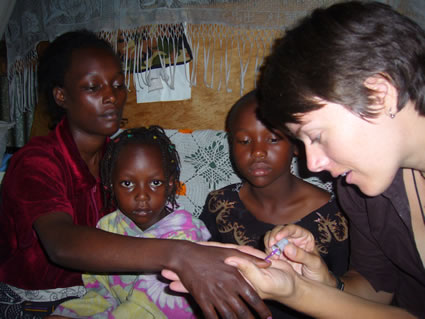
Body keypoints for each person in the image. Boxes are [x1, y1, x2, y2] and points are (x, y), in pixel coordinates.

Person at [0, 30, 271, 319]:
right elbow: (61, 244)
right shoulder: (37, 161)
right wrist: (180, 255)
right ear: (61, 96)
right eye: (93, 87)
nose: (111, 97)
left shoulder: (120, 156)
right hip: (38, 303)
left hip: (112, 294)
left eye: (117, 84)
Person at [216, 1, 425, 318]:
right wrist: (320, 280)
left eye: (315, 135)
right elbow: (376, 289)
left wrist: (299, 294)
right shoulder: (362, 190)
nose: (311, 165)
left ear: (380, 94)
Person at [199, 90, 349, 318]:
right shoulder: (219, 204)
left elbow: (350, 293)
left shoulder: (333, 216)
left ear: (296, 145)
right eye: (244, 141)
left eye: (272, 139)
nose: (257, 151)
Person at [52, 126, 210, 318]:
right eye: (127, 184)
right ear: (110, 184)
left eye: (155, 183)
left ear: (170, 184)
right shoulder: (107, 227)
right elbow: (101, 292)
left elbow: (150, 309)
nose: (142, 196)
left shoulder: (185, 233)